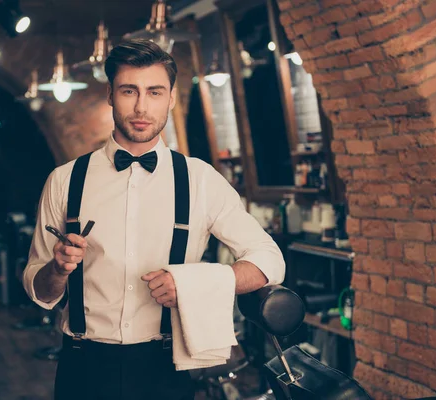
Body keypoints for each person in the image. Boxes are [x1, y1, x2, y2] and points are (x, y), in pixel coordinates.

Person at [23, 39, 286, 400]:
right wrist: (57, 268)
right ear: (111, 95)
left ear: (172, 98)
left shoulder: (200, 180)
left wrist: (192, 284)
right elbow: (39, 292)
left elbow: (269, 261)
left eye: (155, 92)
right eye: (129, 91)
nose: (141, 106)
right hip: (83, 366)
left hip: (165, 370)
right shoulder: (65, 180)